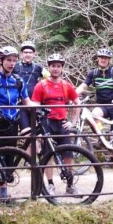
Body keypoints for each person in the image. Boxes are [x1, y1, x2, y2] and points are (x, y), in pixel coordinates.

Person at [0, 46, 36, 199]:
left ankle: (4, 194)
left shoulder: (18, 81)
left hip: (12, 123)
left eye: (14, 61)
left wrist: (43, 108)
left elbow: (26, 101)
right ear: (0, 61)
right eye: (8, 60)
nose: (12, 63)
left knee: (9, 159)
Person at [30, 53, 80, 195]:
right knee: (47, 155)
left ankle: (70, 185)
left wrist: (73, 122)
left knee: (68, 155)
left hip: (62, 123)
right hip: (47, 123)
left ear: (62, 68)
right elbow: (35, 107)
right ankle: (50, 184)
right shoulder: (41, 86)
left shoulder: (66, 86)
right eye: (53, 66)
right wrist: (37, 129)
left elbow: (77, 103)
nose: (55, 69)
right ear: (49, 67)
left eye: (58, 66)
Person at [75, 48, 113, 133]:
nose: (103, 60)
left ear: (109, 60)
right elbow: (83, 86)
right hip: (102, 104)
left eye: (105, 58)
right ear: (98, 59)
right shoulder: (93, 73)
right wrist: (73, 95)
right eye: (101, 57)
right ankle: (101, 136)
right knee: (93, 117)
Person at [13, 40, 44, 132]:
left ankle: (36, 146)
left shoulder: (38, 67)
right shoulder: (15, 66)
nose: (28, 54)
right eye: (26, 52)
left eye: (30, 52)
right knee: (26, 131)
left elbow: (50, 78)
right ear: (21, 54)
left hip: (35, 103)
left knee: (38, 131)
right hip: (20, 104)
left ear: (34, 54)